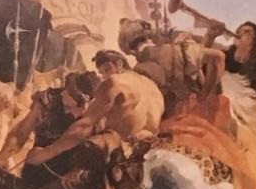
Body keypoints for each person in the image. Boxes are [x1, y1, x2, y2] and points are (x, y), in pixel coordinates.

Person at [25, 50, 166, 172]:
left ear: (119, 64)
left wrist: (46, 153)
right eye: (102, 73)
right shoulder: (153, 89)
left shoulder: (115, 83)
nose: (104, 77)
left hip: (114, 161)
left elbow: (84, 127)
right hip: (141, 161)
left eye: (106, 69)